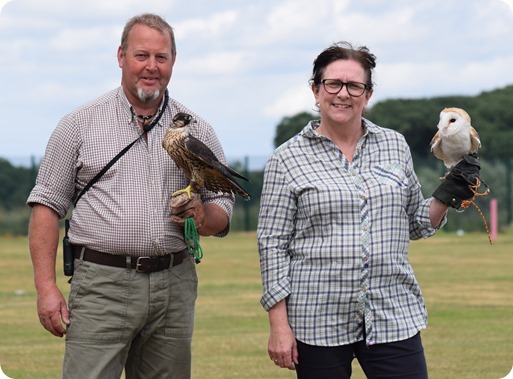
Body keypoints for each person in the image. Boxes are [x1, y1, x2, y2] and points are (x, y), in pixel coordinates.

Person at [27, 13, 234, 379]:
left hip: (174, 283)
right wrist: (46, 288)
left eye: (162, 57)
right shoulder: (79, 123)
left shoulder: (197, 128)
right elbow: (46, 205)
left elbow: (223, 208)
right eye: (142, 56)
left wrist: (203, 216)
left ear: (173, 60)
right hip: (102, 284)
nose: (151, 67)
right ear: (121, 56)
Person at [257, 41, 481, 378]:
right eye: (333, 84)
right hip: (317, 317)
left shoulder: (393, 144)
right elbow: (272, 245)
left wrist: (446, 195)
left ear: (368, 94)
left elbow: (414, 223)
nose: (343, 94)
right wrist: (279, 326)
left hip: (392, 310)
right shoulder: (286, 159)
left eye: (354, 85)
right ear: (316, 91)